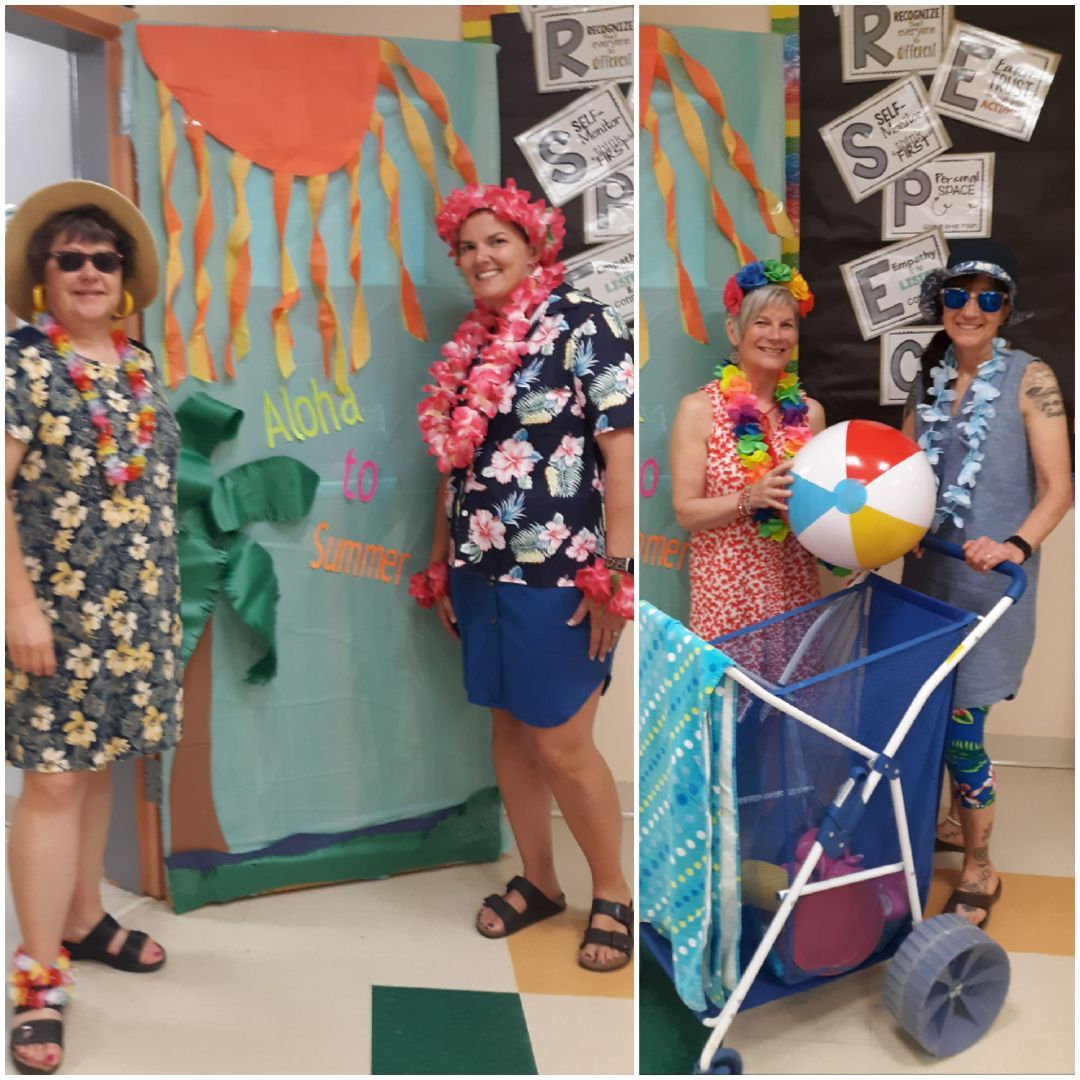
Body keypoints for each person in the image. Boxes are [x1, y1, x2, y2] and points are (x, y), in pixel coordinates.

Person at [410, 180, 635, 972]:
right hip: (480, 568)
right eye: (467, 247)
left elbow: (620, 451)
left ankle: (612, 892)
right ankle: (540, 881)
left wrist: (616, 572)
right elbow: (453, 461)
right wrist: (441, 557)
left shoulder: (586, 323)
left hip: (561, 575)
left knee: (565, 743)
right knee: (507, 728)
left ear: (535, 242)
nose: (480, 258)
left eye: (495, 241)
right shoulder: (471, 340)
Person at [5, 181, 182, 1074]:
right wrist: (20, 606)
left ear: (124, 277)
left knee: (103, 760)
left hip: (135, 609)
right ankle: (38, 977)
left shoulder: (140, 364)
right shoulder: (21, 364)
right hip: (56, 614)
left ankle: (84, 918)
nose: (86, 272)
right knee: (53, 784)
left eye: (102, 260)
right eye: (67, 259)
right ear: (42, 275)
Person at [901, 240, 1071, 928]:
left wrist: (1014, 543)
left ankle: (979, 866)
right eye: (957, 295)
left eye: (989, 297)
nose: (971, 309)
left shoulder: (1032, 379)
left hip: (992, 589)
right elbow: (898, 473)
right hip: (924, 581)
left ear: (1006, 309)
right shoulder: (928, 375)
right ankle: (946, 821)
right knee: (925, 718)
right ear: (940, 303)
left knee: (964, 731)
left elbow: (1059, 489)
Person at [670, 260, 825, 641]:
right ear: (734, 331)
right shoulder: (699, 409)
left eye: (786, 324)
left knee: (790, 698)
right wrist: (749, 498)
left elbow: (820, 509)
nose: (775, 335)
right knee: (731, 701)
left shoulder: (811, 414)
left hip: (795, 593)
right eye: (762, 322)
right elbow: (686, 512)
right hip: (727, 598)